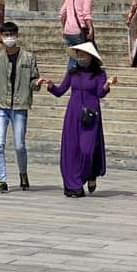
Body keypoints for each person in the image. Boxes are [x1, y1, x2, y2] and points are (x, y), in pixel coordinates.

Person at [42, 42, 116, 198]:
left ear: (91, 56)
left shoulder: (99, 74)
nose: (81, 57)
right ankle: (73, 185)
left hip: (90, 117)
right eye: (78, 54)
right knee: (71, 150)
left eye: (83, 54)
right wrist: (50, 85)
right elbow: (60, 91)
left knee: (86, 150)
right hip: (73, 115)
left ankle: (90, 174)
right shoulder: (72, 73)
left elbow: (100, 93)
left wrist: (107, 85)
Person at [0, 21, 41, 194]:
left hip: (19, 106)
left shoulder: (28, 58)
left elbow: (33, 81)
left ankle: (23, 173)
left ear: (17, 35)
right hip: (1, 106)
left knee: (19, 145)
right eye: (6, 35)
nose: (9, 38)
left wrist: (37, 84)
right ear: (1, 36)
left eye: (11, 35)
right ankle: (2, 180)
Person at [59, 0, 95, 71]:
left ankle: (71, 74)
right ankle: (75, 75)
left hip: (68, 31)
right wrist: (90, 28)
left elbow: (62, 14)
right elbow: (86, 14)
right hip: (79, 31)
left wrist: (64, 27)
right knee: (81, 56)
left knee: (73, 55)